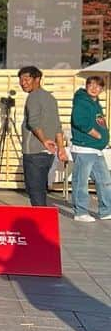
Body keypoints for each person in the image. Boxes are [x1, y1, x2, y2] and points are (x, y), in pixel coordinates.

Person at [18, 66, 66, 208]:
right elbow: (57, 125)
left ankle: (39, 224)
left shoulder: (33, 96)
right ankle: (42, 221)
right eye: (21, 80)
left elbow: (33, 122)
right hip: (48, 154)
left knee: (35, 192)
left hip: (34, 152)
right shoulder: (50, 98)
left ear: (37, 79)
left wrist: (44, 140)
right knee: (41, 190)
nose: (23, 83)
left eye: (27, 79)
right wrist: (61, 148)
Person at [69, 73, 111, 221]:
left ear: (102, 89)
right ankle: (80, 212)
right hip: (84, 148)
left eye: (98, 86)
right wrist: (98, 136)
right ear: (86, 86)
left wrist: (104, 139)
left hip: (96, 150)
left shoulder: (95, 103)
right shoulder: (82, 101)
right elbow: (79, 121)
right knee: (81, 181)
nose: (94, 88)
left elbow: (98, 123)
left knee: (104, 180)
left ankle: (106, 210)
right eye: (91, 85)